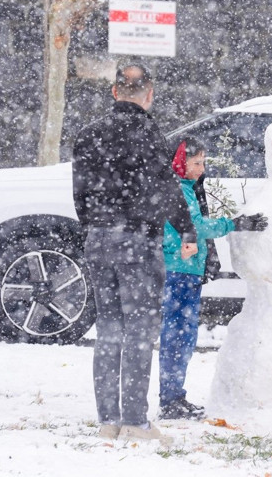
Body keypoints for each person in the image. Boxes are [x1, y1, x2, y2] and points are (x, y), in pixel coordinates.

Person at [72, 64, 197, 442]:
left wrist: (93, 225)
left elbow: (80, 192)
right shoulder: (149, 134)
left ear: (114, 92)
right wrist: (186, 228)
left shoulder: (88, 135)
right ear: (149, 95)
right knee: (139, 330)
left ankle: (108, 421)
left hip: (99, 239)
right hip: (137, 241)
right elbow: (165, 188)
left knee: (108, 328)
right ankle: (135, 422)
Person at [158, 136, 268, 420]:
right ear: (179, 162)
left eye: (203, 162)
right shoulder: (176, 190)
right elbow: (196, 226)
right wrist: (234, 224)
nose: (202, 169)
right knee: (178, 336)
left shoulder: (187, 188)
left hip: (187, 269)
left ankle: (174, 396)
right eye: (196, 163)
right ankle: (170, 399)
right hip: (178, 269)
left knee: (183, 336)